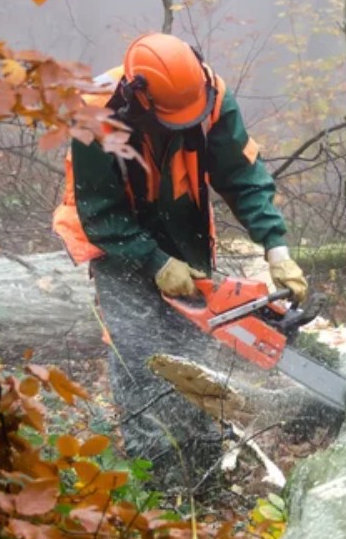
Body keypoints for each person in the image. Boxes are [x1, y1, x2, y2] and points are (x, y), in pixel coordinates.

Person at [53, 33, 308, 488]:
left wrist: (276, 247)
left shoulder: (209, 97)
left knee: (194, 347)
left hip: (184, 229)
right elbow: (99, 212)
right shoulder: (94, 112)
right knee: (142, 352)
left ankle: (204, 460)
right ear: (140, 97)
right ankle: (160, 479)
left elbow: (242, 174)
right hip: (116, 244)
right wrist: (153, 262)